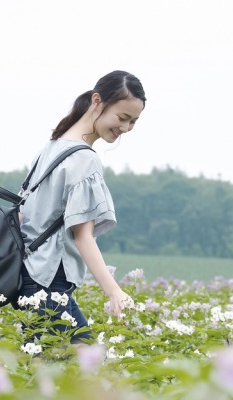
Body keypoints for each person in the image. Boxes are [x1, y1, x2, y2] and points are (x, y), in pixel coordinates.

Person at [18, 70, 147, 342]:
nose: (125, 129)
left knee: (43, 372)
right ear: (97, 101)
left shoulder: (53, 145)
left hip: (30, 275)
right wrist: (114, 291)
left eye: (133, 122)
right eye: (122, 118)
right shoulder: (84, 158)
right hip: (50, 278)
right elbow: (83, 236)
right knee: (83, 368)